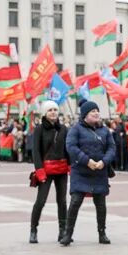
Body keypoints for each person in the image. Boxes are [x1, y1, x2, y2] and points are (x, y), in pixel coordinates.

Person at [65, 100, 116, 245]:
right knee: (75, 202)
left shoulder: (104, 130)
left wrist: (104, 162)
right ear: (85, 115)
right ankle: (68, 234)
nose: (96, 113)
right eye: (92, 111)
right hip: (80, 171)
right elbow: (71, 147)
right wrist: (87, 161)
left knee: (100, 203)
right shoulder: (76, 129)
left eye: (97, 110)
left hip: (99, 172)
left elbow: (112, 148)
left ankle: (102, 233)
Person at [29, 101, 70, 244]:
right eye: (50, 110)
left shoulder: (63, 129)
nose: (53, 112)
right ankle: (33, 230)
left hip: (62, 169)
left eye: (55, 109)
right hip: (45, 170)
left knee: (62, 201)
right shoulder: (39, 129)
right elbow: (36, 151)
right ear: (44, 113)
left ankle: (63, 231)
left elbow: (68, 149)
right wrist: (39, 170)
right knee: (41, 201)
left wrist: (70, 166)